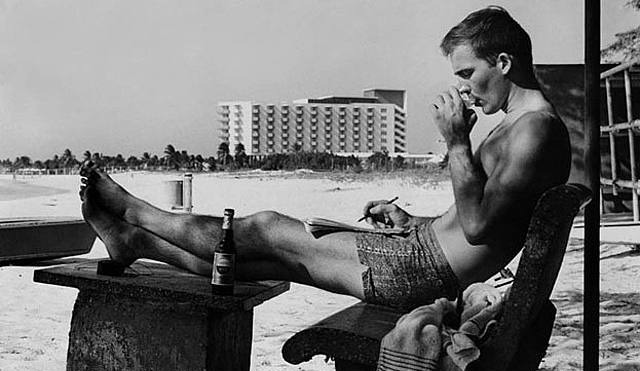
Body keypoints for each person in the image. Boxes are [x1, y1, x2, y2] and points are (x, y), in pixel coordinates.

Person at [79, 6, 570, 312]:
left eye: (468, 72)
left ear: (503, 63)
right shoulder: (519, 127)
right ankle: (136, 241)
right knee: (262, 257)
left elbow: (482, 228)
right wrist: (412, 219)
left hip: (421, 273)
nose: (461, 86)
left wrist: (457, 143)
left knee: (267, 229)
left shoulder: (535, 132)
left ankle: (131, 210)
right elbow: (482, 222)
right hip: (421, 254)